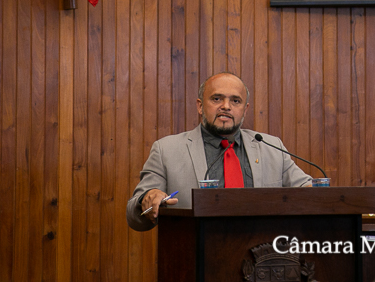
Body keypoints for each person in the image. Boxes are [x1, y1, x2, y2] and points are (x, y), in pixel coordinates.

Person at [127, 72, 312, 231]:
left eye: (235, 101)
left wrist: (318, 193)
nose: (226, 106)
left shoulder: (271, 147)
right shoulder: (167, 150)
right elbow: (134, 216)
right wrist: (147, 199)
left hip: (261, 254)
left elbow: (308, 190)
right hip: (195, 254)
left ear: (245, 110)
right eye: (217, 99)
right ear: (200, 106)